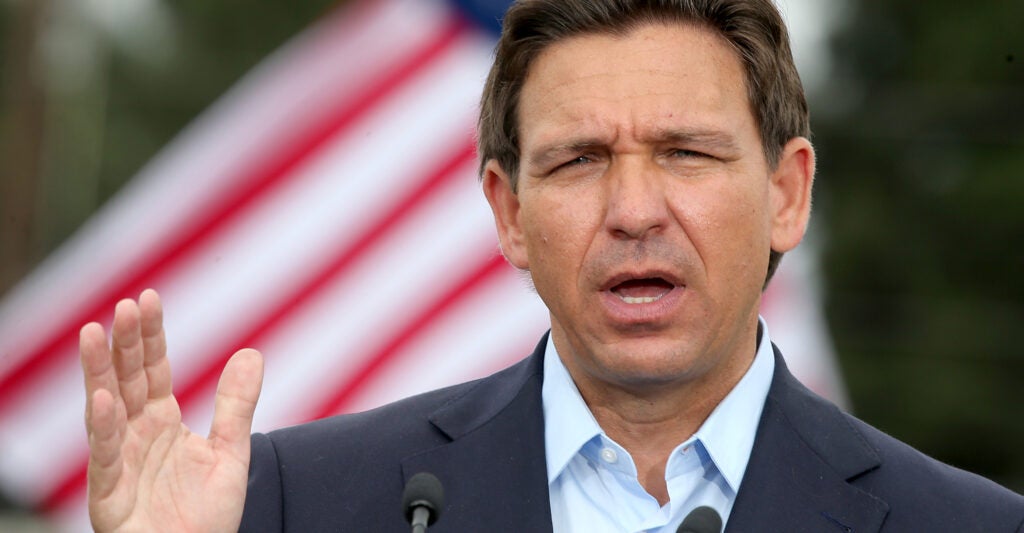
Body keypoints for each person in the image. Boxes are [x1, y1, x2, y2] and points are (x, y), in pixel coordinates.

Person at [79, 0, 1024, 531]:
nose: (633, 211)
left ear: (787, 192)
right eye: (578, 161)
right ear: (510, 212)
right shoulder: (294, 504)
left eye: (687, 152)